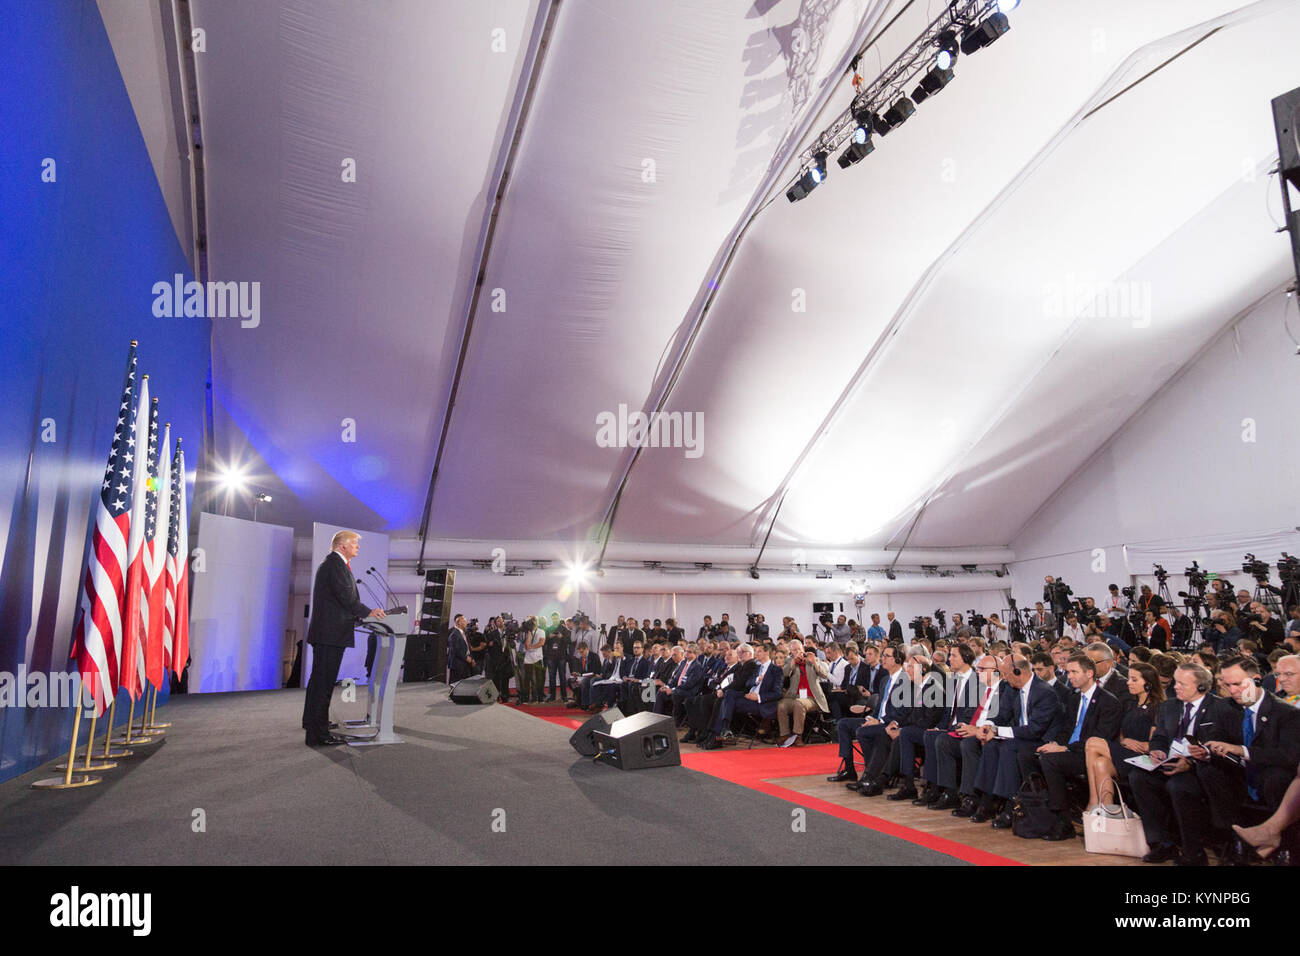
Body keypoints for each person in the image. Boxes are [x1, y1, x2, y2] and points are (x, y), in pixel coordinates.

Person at [1129, 662, 1238, 865]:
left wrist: (1190, 763)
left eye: (1182, 684)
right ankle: (1162, 843)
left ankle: (1194, 852)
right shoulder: (1170, 705)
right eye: (1176, 682)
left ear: (1202, 687)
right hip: (1169, 761)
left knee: (1179, 786)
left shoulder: (1220, 709)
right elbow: (1160, 736)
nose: (1175, 686)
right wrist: (1157, 749)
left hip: (1201, 768)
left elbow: (1220, 748)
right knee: (1139, 777)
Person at [302, 531, 385, 747]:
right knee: (324, 682)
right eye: (354, 544)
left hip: (328, 632)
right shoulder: (335, 565)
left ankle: (312, 723)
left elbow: (340, 600)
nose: (357, 547)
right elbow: (346, 598)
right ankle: (317, 734)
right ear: (342, 546)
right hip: (330, 634)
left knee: (319, 681)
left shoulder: (335, 564)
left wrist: (359, 615)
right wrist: (368, 612)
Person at [1029, 653, 1122, 840]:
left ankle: (1062, 821)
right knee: (1031, 754)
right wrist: (1055, 743)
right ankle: (1039, 813)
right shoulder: (1074, 698)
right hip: (1071, 749)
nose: (1069, 676)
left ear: (1089, 673)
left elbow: (1099, 739)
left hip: (1090, 755)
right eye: (1068, 672)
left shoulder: (1109, 702)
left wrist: (1065, 749)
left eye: (1074, 672)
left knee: (1050, 761)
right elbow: (1066, 729)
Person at [1083, 661, 1162, 810]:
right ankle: (1107, 811)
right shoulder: (1129, 703)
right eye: (1129, 679)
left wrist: (1136, 744)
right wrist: (1125, 740)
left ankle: (1093, 800)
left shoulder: (1158, 707)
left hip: (1144, 758)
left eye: (1134, 680)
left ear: (1148, 683)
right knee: (1100, 764)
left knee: (1092, 742)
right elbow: (1120, 735)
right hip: (1126, 751)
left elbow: (1153, 744)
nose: (1128, 683)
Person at [778, 643, 830, 746]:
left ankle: (798, 736)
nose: (797, 652)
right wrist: (793, 662)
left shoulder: (813, 659)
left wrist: (814, 662)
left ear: (803, 649)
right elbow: (784, 673)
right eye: (794, 650)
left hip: (812, 698)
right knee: (781, 705)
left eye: (799, 649)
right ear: (791, 652)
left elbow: (824, 675)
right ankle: (785, 734)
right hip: (794, 697)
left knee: (799, 704)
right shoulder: (789, 661)